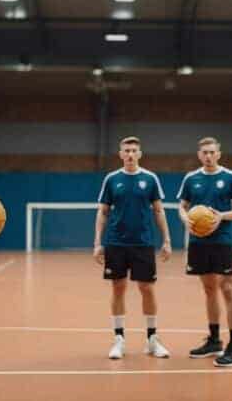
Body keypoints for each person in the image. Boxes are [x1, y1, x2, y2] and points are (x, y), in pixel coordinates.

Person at [93, 136, 172, 360]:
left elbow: (159, 210)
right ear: (120, 154)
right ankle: (119, 339)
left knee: (147, 289)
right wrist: (98, 243)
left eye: (134, 150)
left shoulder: (150, 179)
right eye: (126, 150)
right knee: (118, 288)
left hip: (143, 243)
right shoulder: (111, 179)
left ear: (140, 154)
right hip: (116, 243)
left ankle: (152, 339)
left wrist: (166, 240)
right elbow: (103, 212)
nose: (130, 154)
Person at [177, 137, 232, 367]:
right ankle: (215, 340)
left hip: (222, 241)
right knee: (209, 289)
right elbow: (182, 206)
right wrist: (185, 219)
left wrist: (222, 217)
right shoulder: (191, 178)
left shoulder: (230, 177)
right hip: (198, 242)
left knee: (227, 287)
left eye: (212, 152)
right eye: (204, 152)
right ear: (199, 155)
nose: (208, 156)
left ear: (219, 154)